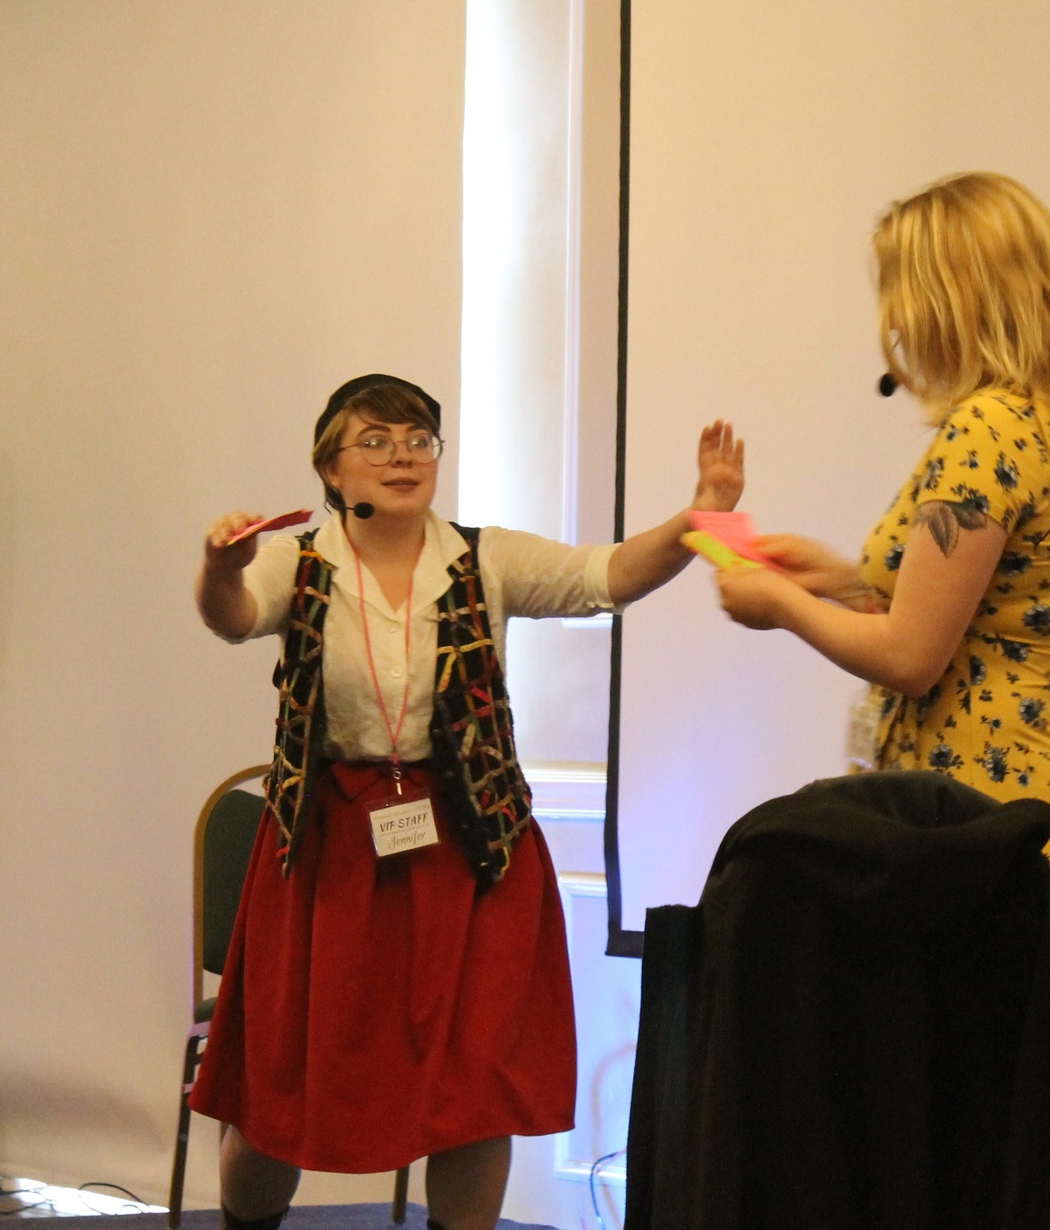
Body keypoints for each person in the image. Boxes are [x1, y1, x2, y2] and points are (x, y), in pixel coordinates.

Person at [190, 373, 745, 1230]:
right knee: (280, 1092)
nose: (403, 456)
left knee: (476, 1091)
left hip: (474, 849)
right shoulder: (296, 564)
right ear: (330, 468)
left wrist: (697, 518)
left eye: (419, 439)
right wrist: (218, 568)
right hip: (332, 854)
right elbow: (232, 615)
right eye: (376, 440)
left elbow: (604, 576)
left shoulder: (485, 557)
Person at [713, 171, 1050, 1046]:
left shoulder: (986, 429)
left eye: (904, 293)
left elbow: (912, 658)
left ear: (952, 296)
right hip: (1020, 807)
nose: (897, 323)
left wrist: (781, 605)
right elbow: (993, 613)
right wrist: (839, 580)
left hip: (980, 814)